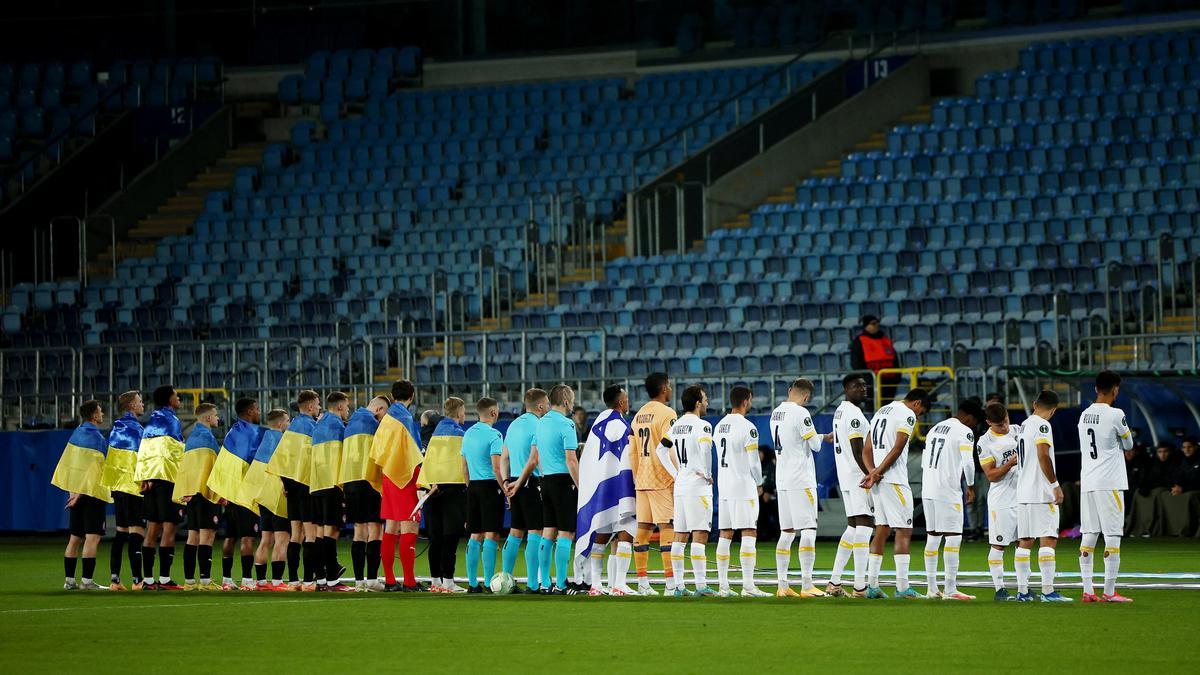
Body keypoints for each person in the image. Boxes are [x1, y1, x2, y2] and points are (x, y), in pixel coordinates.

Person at [860, 388, 930, 599]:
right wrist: (878, 472)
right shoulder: (906, 414)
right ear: (917, 403)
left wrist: (872, 472)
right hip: (894, 480)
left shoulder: (882, 410)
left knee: (881, 529)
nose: (918, 417)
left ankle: (872, 586)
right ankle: (902, 587)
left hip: (879, 482)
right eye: (921, 413)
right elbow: (898, 448)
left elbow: (866, 449)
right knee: (904, 530)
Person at [1077, 371, 1135, 603]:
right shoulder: (1116, 414)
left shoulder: (1083, 415)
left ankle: (1088, 590)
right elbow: (1129, 443)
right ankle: (1110, 591)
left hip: (1088, 482)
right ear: (1115, 389)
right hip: (1109, 482)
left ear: (1095, 389)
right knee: (1112, 535)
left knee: (1089, 534)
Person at [576, 384, 637, 596]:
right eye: (627, 398)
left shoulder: (598, 423)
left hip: (600, 487)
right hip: (619, 486)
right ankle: (619, 584)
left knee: (601, 531)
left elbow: (588, 458)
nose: (628, 402)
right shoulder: (622, 425)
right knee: (626, 532)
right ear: (620, 402)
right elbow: (627, 458)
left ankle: (596, 585)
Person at [920, 400, 983, 601]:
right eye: (974, 423)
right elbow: (968, 462)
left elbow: (924, 461)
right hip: (947, 490)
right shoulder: (964, 431)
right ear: (969, 418)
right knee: (954, 537)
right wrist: (971, 486)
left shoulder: (934, 429)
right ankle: (950, 589)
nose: (973, 426)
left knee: (933, 537)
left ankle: (931, 588)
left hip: (928, 488)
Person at [770, 378, 826, 598]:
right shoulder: (801, 413)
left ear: (789, 390)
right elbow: (815, 446)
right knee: (809, 530)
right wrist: (820, 436)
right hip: (800, 480)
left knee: (786, 533)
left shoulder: (776, 412)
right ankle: (807, 584)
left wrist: (818, 436)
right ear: (806, 397)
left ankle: (782, 585)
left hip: (782, 480)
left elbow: (793, 440)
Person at [371, 379, 427, 592]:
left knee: (391, 528)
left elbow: (377, 450)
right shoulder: (405, 418)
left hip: (388, 476)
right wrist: (422, 481)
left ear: (393, 397)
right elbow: (414, 453)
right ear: (411, 396)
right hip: (405, 477)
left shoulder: (386, 419)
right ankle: (410, 582)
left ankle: (391, 580)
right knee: (409, 527)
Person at [1015, 389, 1070, 602]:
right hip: (1040, 491)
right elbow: (1043, 455)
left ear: (1034, 403)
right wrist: (1055, 485)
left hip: (1023, 492)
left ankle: (1022, 591)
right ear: (1054, 410)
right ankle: (1048, 591)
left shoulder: (1024, 425)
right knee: (1048, 538)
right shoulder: (1043, 425)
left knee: (1025, 541)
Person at [51, 400, 112, 590]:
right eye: (100, 411)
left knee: (75, 538)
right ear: (94, 415)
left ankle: (69, 581)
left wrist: (73, 492)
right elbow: (95, 472)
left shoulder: (75, 435)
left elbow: (67, 467)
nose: (102, 414)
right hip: (91, 494)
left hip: (75, 493)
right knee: (92, 537)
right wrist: (81, 494)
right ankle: (87, 582)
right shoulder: (97, 439)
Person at [714, 386, 767, 597]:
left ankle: (723, 586)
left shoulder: (719, 426)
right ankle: (748, 586)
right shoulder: (748, 428)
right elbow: (754, 462)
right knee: (748, 531)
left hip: (724, 486)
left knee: (725, 534)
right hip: (743, 485)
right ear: (746, 401)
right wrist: (759, 482)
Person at [661, 385, 714, 597]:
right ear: (698, 403)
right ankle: (701, 586)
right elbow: (705, 450)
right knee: (700, 534)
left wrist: (676, 474)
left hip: (681, 485)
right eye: (705, 398)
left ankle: (679, 586)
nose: (707, 402)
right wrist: (706, 472)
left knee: (680, 536)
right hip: (696, 486)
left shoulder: (677, 425)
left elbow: (660, 450)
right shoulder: (703, 426)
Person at [628, 372, 678, 596]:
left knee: (643, 529)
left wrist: (637, 476)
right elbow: (671, 447)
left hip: (643, 478)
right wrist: (678, 475)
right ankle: (670, 583)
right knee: (667, 527)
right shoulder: (667, 413)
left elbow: (633, 451)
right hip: (662, 478)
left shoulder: (638, 415)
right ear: (664, 388)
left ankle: (642, 582)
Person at [207, 398, 263, 591]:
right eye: (256, 409)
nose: (258, 411)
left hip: (230, 494)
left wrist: (223, 491)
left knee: (230, 537)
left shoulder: (233, 432)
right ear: (249, 412)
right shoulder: (254, 434)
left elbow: (223, 464)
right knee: (248, 538)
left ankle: (226, 579)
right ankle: (247, 580)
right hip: (246, 494)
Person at [267, 389, 321, 591]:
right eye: (317, 404)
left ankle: (293, 580)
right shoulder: (311, 427)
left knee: (295, 534)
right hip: (306, 485)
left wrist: (287, 485)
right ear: (309, 406)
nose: (318, 408)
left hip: (290, 487)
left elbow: (281, 460)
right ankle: (308, 581)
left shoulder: (291, 428)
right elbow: (315, 459)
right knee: (310, 533)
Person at [826, 374, 873, 598]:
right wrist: (870, 473)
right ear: (847, 389)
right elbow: (857, 449)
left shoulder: (840, 411)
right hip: (857, 477)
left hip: (845, 476)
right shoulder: (854, 414)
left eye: (865, 385)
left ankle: (834, 582)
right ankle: (860, 587)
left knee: (853, 527)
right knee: (865, 526)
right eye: (858, 386)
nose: (863, 389)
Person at [134, 385, 185, 590]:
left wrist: (146, 477)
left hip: (151, 480)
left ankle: (148, 580)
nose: (179, 397)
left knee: (152, 528)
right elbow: (173, 452)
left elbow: (145, 451)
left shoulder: (152, 421)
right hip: (166, 480)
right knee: (169, 527)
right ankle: (164, 579)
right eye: (176, 395)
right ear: (169, 399)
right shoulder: (171, 420)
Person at [501, 388, 549, 593]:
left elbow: (504, 456)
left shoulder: (513, 425)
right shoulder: (539, 425)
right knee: (535, 531)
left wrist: (506, 483)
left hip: (512, 481)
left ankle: (506, 580)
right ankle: (532, 584)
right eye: (546, 404)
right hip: (529, 482)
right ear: (540, 406)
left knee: (515, 531)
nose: (548, 407)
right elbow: (534, 459)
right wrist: (521, 482)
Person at [536, 384, 582, 594]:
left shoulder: (540, 422)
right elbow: (571, 460)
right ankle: (561, 583)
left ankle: (545, 582)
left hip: (545, 481)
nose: (572, 404)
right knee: (566, 532)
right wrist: (581, 486)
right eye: (571, 400)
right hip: (563, 482)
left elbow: (536, 456)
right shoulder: (567, 424)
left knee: (548, 531)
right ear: (565, 401)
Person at [339, 395, 389, 591]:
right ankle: (372, 579)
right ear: (378, 409)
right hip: (369, 481)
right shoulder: (375, 425)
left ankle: (359, 581)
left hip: (350, 480)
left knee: (359, 531)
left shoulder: (350, 424)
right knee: (376, 530)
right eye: (383, 413)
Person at [420, 397, 468, 593]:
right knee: (450, 538)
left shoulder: (434, 436)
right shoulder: (460, 435)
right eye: (464, 411)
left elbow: (428, 463)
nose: (464, 415)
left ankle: (435, 581)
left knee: (435, 539)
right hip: (453, 491)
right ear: (458, 413)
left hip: (432, 490)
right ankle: (448, 581)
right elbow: (464, 465)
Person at [241, 409, 291, 590]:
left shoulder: (263, 440)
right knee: (282, 539)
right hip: (277, 494)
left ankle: (261, 582)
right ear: (279, 424)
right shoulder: (282, 441)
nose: (289, 424)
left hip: (262, 494)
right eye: (287, 421)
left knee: (265, 539)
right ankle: (277, 581)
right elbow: (284, 468)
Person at [101, 390, 145, 590]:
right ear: (132, 406)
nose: (143, 404)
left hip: (117, 486)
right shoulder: (136, 429)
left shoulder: (115, 429)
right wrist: (144, 479)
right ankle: (138, 580)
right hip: (132, 486)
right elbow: (140, 457)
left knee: (120, 532)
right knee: (137, 531)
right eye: (140, 401)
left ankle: (115, 580)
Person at [462, 397, 506, 593]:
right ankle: (489, 583)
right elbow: (497, 468)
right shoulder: (495, 435)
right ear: (494, 413)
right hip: (490, 487)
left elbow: (464, 467)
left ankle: (472, 583)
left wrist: (469, 487)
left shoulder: (468, 434)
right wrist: (505, 489)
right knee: (491, 534)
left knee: (475, 534)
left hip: (472, 487)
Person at [977, 402, 1021, 601]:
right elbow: (991, 475)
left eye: (1005, 422)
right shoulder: (984, 443)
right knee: (999, 545)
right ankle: (999, 589)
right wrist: (1010, 463)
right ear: (988, 422)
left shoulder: (1018, 431)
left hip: (1022, 497)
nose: (1004, 427)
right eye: (999, 425)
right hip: (1002, 500)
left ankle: (1024, 589)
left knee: (1025, 543)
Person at [177, 403, 223, 591]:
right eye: (215, 414)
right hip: (204, 493)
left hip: (192, 493)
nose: (218, 417)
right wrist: (218, 493)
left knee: (192, 536)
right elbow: (212, 468)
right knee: (207, 535)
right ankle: (205, 581)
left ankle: (189, 582)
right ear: (207, 418)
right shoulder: (206, 438)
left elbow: (187, 468)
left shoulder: (192, 438)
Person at [310, 392, 353, 592]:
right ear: (338, 407)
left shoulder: (317, 426)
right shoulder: (337, 426)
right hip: (332, 484)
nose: (348, 410)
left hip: (316, 483)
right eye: (346, 407)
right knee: (331, 531)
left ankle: (320, 579)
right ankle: (333, 580)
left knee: (319, 532)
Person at [850, 315, 900, 405]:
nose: (876, 325)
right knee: (872, 408)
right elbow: (856, 363)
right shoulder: (860, 341)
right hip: (872, 383)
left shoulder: (885, 339)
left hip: (889, 383)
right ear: (866, 326)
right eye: (873, 324)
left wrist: (897, 377)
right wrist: (868, 379)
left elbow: (894, 359)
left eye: (877, 323)